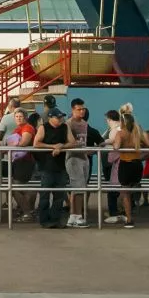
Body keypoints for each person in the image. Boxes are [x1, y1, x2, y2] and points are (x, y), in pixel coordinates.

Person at [110, 104, 149, 227]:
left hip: (125, 164)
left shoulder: (121, 133)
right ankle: (133, 207)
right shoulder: (137, 133)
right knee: (132, 189)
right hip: (137, 164)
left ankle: (129, 218)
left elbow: (116, 147)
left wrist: (118, 145)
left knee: (125, 192)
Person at [34, 100, 69, 228]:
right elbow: (36, 143)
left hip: (60, 166)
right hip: (46, 166)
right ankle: (44, 220)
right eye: (58, 117)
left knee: (59, 195)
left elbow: (73, 142)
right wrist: (52, 146)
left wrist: (61, 146)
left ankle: (55, 220)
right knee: (45, 194)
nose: (60, 119)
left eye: (61, 117)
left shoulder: (65, 127)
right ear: (50, 118)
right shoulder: (43, 128)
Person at [64, 98, 95, 227]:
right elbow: (69, 142)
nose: (82, 111)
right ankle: (77, 216)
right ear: (73, 110)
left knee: (80, 188)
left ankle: (73, 217)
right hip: (73, 158)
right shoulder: (68, 124)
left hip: (84, 158)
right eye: (79, 109)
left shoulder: (84, 124)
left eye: (83, 109)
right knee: (78, 188)